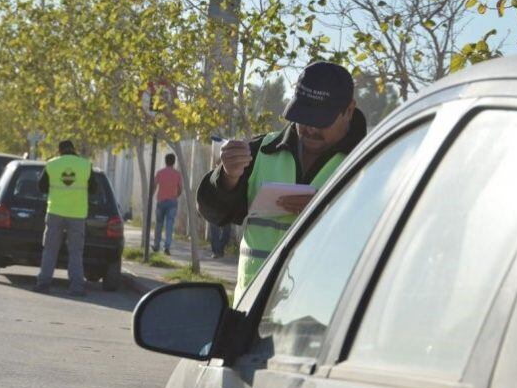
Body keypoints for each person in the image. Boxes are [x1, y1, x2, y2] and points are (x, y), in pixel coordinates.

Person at [197, 61, 368, 301]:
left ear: (349, 110)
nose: (308, 129)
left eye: (320, 120)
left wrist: (329, 213)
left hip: (321, 319)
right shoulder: (262, 151)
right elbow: (213, 213)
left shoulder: (370, 163)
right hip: (253, 311)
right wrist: (227, 177)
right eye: (303, 117)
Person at [34, 140, 97, 296]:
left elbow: (41, 187)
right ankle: (77, 287)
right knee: (76, 252)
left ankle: (43, 284)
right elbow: (94, 189)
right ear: (73, 149)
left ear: (59, 150)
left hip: (55, 211)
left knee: (50, 250)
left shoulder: (52, 164)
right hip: (77, 214)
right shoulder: (85, 165)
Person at [152, 153, 183, 256]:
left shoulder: (160, 173)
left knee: (159, 224)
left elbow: (155, 186)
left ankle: (156, 245)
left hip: (161, 201)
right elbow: (180, 189)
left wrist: (151, 196)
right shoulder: (177, 174)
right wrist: (175, 196)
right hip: (172, 202)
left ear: (165, 161)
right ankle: (167, 247)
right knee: (169, 225)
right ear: (174, 162)